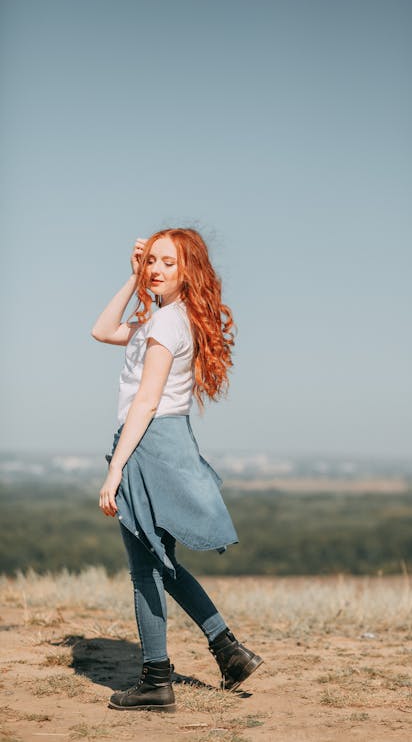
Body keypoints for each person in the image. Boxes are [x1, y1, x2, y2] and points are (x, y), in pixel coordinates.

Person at [91, 228, 263, 713]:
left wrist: (114, 471)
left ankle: (156, 680)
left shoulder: (167, 324)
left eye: (168, 262)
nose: (156, 270)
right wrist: (131, 278)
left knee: (144, 570)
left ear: (189, 270)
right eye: (151, 262)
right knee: (162, 564)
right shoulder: (163, 320)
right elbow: (102, 330)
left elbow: (145, 402)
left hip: (148, 442)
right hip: (166, 440)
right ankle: (228, 651)